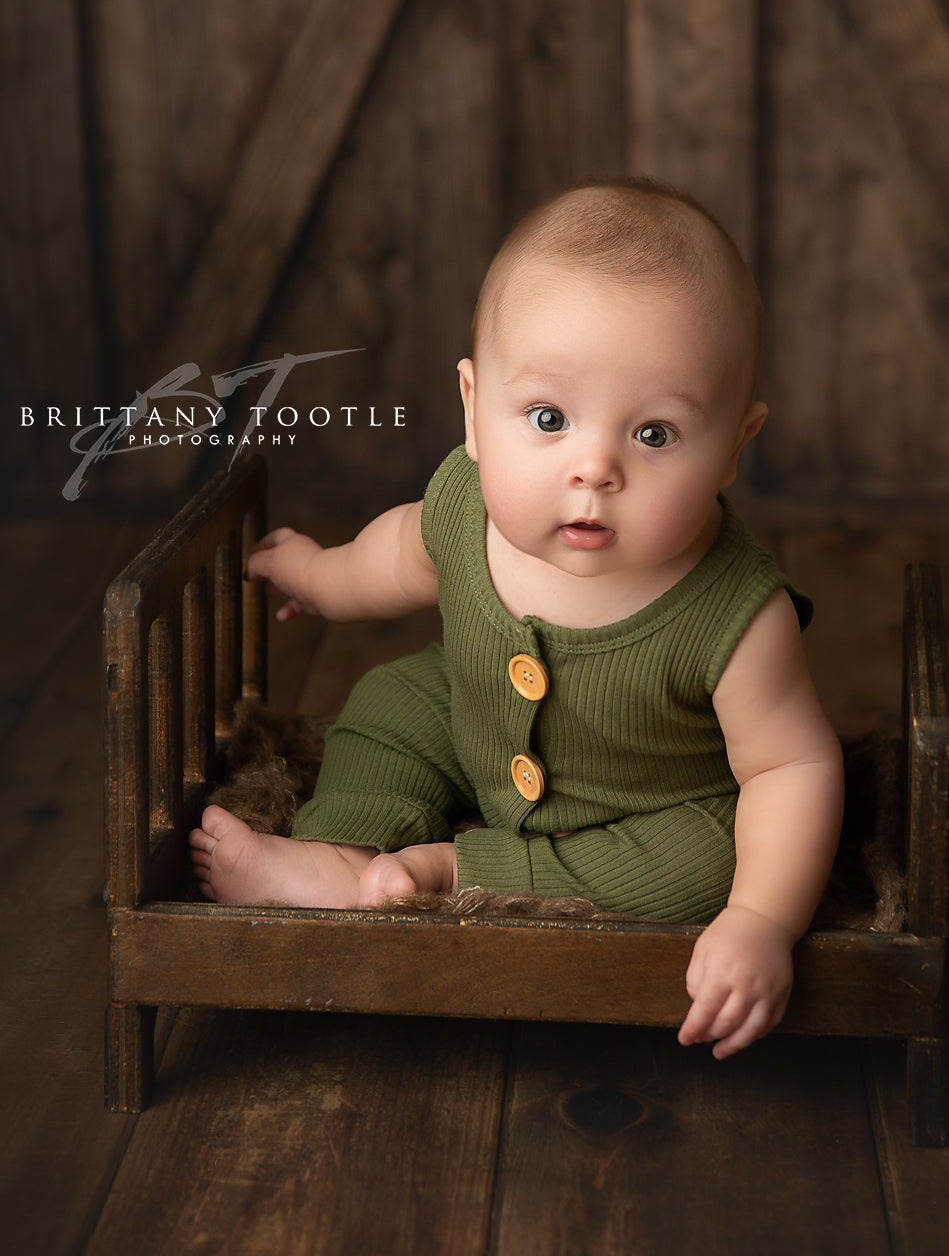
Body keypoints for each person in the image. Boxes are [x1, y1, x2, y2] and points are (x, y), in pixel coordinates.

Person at [190, 179, 843, 1058]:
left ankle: (457, 871)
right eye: (548, 418)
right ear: (472, 409)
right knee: (393, 702)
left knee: (711, 864)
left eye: (654, 434)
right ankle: (340, 850)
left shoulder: (736, 614)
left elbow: (792, 766)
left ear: (734, 445)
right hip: (477, 728)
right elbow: (391, 557)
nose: (595, 467)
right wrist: (315, 571)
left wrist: (762, 921)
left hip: (648, 811)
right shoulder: (468, 508)